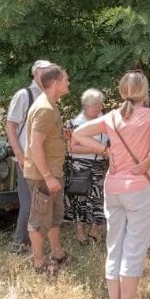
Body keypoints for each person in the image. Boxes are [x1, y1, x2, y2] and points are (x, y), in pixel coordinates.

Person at [73, 70, 150, 299]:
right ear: (145, 92)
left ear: (121, 92)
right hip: (138, 189)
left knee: (114, 247)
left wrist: (104, 150)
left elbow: (78, 134)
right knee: (134, 250)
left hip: (112, 188)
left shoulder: (112, 117)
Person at [23, 64, 70, 273]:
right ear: (57, 83)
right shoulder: (45, 109)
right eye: (66, 80)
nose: (69, 83)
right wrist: (48, 176)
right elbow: (35, 145)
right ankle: (39, 262)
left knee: (53, 217)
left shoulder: (52, 105)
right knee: (39, 220)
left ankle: (57, 254)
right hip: (43, 176)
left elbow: (47, 138)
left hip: (52, 174)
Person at [6, 59, 51, 254]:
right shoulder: (24, 95)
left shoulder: (48, 97)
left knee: (40, 203)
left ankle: (35, 246)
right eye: (43, 72)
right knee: (29, 205)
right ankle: (19, 246)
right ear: (35, 74)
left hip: (42, 160)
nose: (47, 75)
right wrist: (20, 156)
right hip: (27, 160)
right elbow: (10, 127)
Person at [64, 88, 109, 244]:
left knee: (99, 198)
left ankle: (95, 230)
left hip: (100, 166)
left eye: (100, 104)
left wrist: (103, 152)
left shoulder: (104, 120)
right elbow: (70, 148)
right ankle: (80, 231)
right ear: (87, 106)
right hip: (80, 168)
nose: (100, 108)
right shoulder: (73, 124)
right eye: (97, 105)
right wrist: (98, 149)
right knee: (80, 199)